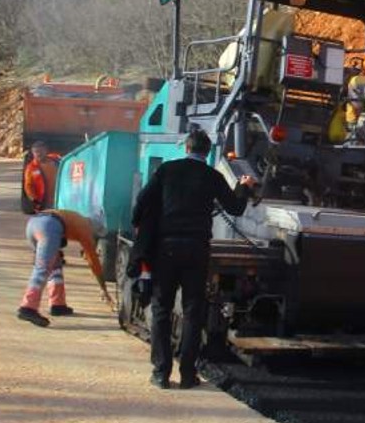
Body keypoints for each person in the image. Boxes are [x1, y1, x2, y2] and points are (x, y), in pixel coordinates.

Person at [131, 128, 257, 390]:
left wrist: (140, 229)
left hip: (165, 249)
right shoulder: (212, 176)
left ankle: (160, 373)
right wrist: (244, 187)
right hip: (197, 250)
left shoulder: (167, 170)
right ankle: (188, 375)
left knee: (161, 309)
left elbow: (143, 200)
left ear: (186, 148)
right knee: (192, 311)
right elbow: (234, 207)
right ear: (207, 152)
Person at [17, 208, 112, 327]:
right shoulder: (86, 229)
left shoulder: (77, 218)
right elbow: (93, 261)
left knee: (55, 264)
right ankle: (28, 308)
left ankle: (58, 304)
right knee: (42, 268)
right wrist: (103, 288)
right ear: (95, 230)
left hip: (33, 224)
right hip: (49, 227)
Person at [22, 141, 60, 214]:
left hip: (60, 202)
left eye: (41, 151)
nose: (38, 154)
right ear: (33, 153)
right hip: (44, 205)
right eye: (36, 152)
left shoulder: (56, 160)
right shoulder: (31, 168)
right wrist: (35, 200)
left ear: (46, 151)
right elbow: (28, 186)